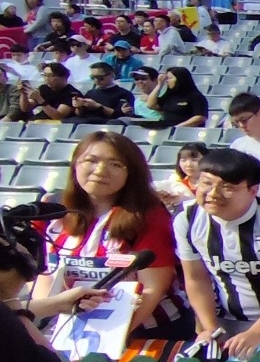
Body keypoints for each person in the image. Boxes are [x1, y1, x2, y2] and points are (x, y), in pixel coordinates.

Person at [31, 130, 189, 337]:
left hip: (146, 329)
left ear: (131, 173)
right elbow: (44, 275)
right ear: (75, 164)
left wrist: (107, 339)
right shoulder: (52, 209)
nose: (100, 170)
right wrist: (46, 322)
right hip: (68, 328)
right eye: (91, 160)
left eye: (115, 164)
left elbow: (153, 288)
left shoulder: (149, 215)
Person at [174, 147, 260, 357]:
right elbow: (196, 278)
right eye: (206, 183)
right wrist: (210, 329)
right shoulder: (187, 217)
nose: (213, 194)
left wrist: (256, 332)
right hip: (225, 323)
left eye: (227, 187)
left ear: (253, 191)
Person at [142, 66, 210, 128]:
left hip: (186, 130)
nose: (167, 81)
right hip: (168, 128)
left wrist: (177, 128)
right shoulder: (169, 95)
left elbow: (200, 118)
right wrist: (159, 85)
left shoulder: (195, 96)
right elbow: (150, 105)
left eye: (170, 78)